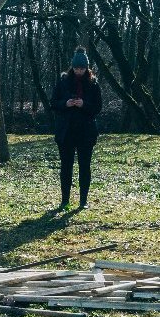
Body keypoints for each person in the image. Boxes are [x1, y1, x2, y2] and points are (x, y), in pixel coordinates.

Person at [49, 48, 103, 209]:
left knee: (84, 166)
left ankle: (83, 201)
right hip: (66, 132)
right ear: (72, 67)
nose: (79, 71)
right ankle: (65, 200)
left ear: (87, 68)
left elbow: (98, 107)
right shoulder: (63, 81)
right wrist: (66, 103)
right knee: (66, 166)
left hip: (86, 132)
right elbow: (53, 103)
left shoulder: (93, 84)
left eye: (82, 68)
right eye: (77, 68)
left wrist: (84, 105)